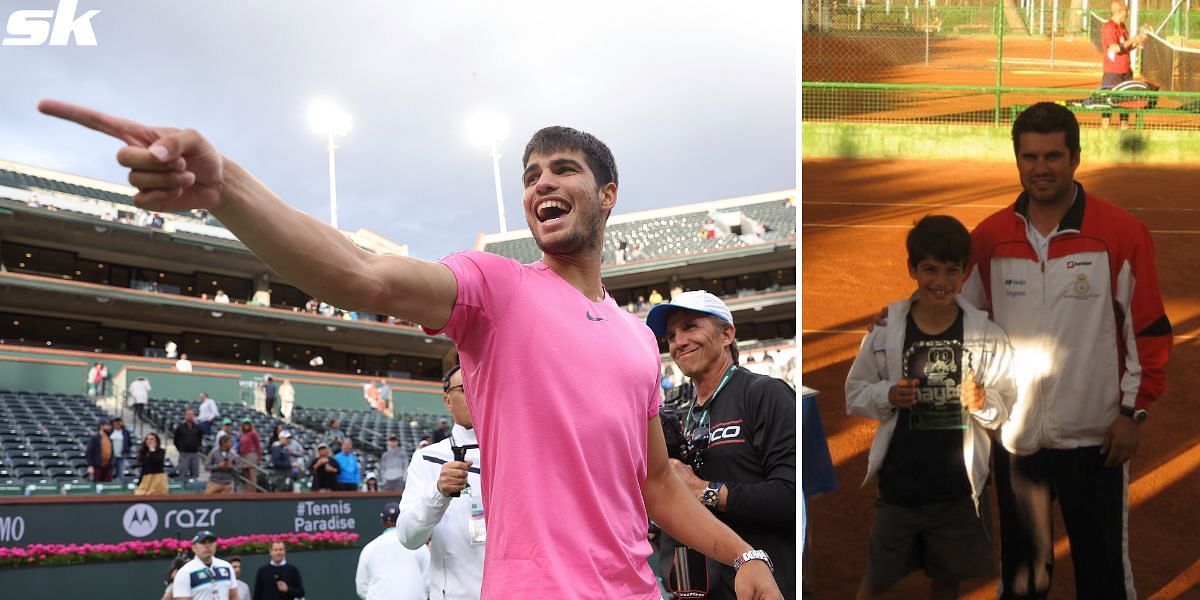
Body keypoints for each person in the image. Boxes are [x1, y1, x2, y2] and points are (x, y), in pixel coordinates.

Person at [39, 103, 782, 599]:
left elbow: (654, 484)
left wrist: (743, 555)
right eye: (531, 175)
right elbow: (360, 273)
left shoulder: (632, 338)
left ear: (607, 194)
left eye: (563, 170)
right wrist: (226, 187)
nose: (542, 184)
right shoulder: (495, 287)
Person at [962, 102, 1172, 599]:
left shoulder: (1120, 233)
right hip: (1016, 436)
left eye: (1053, 155)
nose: (1041, 168)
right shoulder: (990, 238)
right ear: (1016, 160)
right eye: (1030, 157)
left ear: (1075, 158)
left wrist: (1132, 413)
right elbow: (960, 320)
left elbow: (1150, 328)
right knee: (1023, 574)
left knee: (1103, 575)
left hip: (1096, 438)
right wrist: (903, 320)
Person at [845, 216, 1016, 600]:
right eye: (929, 269)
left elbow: (1004, 401)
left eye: (951, 270)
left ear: (964, 273)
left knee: (947, 579)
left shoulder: (987, 336)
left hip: (957, 485)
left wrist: (984, 402)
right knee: (877, 577)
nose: (941, 281)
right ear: (912, 269)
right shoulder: (885, 332)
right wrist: (888, 394)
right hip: (900, 482)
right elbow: (855, 392)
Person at [646, 290, 802, 599]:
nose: (678, 342)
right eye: (672, 335)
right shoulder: (676, 414)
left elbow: (791, 495)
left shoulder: (765, 393)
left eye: (690, 327)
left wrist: (702, 490)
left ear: (727, 334)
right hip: (692, 588)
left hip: (759, 584)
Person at [396, 365, 485, 600]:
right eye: (466, 388)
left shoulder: (519, 453)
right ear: (447, 401)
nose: (477, 392)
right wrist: (438, 492)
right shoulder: (428, 457)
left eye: (483, 384)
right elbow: (408, 536)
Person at [356, 502, 431, 600]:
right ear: (402, 520)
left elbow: (362, 587)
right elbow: (429, 581)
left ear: (382, 522)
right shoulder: (420, 546)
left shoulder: (369, 548)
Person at [173, 530, 238, 600]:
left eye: (211, 542)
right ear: (194, 547)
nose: (208, 545)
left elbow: (234, 596)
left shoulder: (226, 567)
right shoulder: (185, 572)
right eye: (203, 542)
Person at [174, 408, 204, 481]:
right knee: (182, 472)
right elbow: (175, 440)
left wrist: (197, 446)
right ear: (185, 416)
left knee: (194, 473)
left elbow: (200, 439)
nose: (190, 416)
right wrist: (180, 449)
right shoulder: (180, 428)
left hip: (194, 453)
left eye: (191, 414)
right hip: (184, 453)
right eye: (188, 414)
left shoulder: (198, 428)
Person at [85, 417, 116, 482]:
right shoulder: (94, 438)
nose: (109, 427)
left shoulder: (110, 438)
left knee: (107, 488)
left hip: (108, 467)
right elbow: (89, 453)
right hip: (97, 467)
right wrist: (90, 466)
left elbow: (112, 452)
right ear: (101, 426)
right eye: (107, 425)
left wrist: (112, 463)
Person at [238, 418, 263, 493]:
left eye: (248, 424)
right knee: (246, 475)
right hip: (243, 455)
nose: (246, 425)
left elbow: (258, 445)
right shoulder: (242, 434)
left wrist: (259, 458)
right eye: (245, 424)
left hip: (251, 455)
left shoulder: (253, 433)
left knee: (252, 474)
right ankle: (248, 491)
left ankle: (253, 492)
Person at [109, 416, 132, 482]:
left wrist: (126, 451)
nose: (117, 423)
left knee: (121, 473)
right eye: (116, 422)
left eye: (119, 422)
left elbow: (129, 443)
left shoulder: (125, 432)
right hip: (111, 456)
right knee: (111, 472)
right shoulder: (110, 432)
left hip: (121, 456)